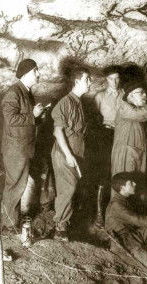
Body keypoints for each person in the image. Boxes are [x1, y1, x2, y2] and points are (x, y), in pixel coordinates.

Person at [105, 172, 147, 282]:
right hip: (123, 241)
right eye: (131, 183)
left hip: (132, 235)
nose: (135, 183)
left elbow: (142, 219)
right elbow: (138, 220)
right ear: (122, 187)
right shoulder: (116, 205)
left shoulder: (124, 200)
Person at [1, 58, 44, 232]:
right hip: (15, 149)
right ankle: (9, 224)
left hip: (23, 147)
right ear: (26, 74)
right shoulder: (14, 92)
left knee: (20, 183)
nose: (39, 73)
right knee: (14, 184)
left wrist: (39, 116)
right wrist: (33, 115)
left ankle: (13, 220)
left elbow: (27, 119)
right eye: (36, 70)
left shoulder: (26, 92)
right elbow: (10, 119)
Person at [51, 67, 91, 241]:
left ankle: (64, 225)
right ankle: (60, 228)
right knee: (68, 188)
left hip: (76, 151)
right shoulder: (65, 102)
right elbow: (57, 132)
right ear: (77, 82)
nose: (90, 83)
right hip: (64, 152)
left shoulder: (78, 102)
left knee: (72, 188)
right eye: (87, 80)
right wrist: (68, 155)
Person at [94, 65, 124, 226]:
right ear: (106, 80)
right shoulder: (100, 96)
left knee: (120, 170)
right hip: (106, 134)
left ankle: (118, 214)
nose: (115, 81)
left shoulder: (125, 95)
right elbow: (95, 120)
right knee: (104, 172)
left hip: (122, 133)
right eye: (111, 78)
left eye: (117, 78)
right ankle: (99, 213)